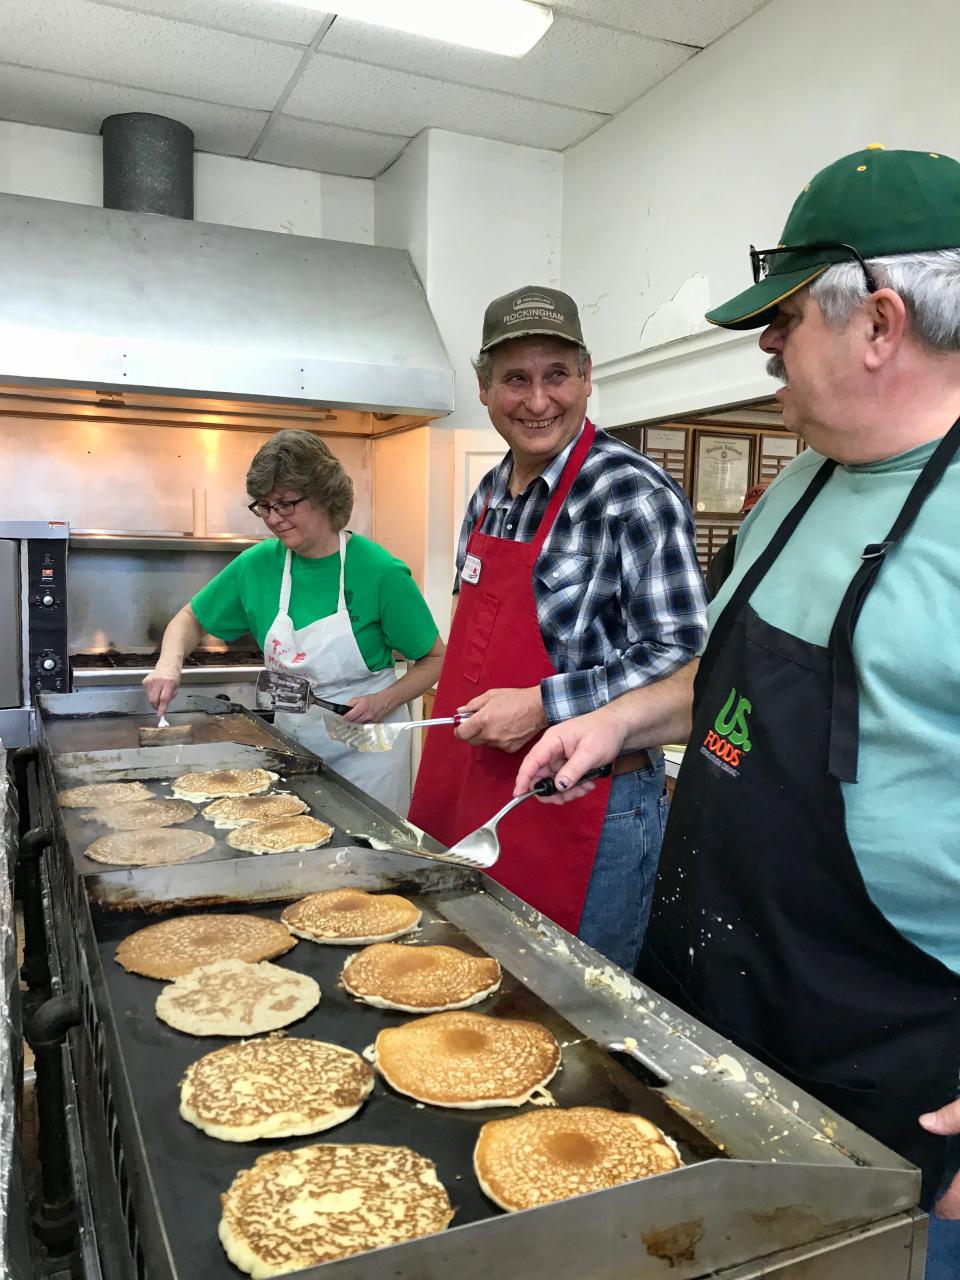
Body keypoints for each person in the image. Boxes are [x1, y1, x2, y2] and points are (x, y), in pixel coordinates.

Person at [514, 146, 960, 1274]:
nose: (764, 344)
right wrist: (621, 721)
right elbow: (728, 676)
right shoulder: (801, 480)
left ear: (879, 323)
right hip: (713, 996)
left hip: (892, 1051)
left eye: (786, 317)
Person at [408, 286, 707, 970]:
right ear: (483, 388)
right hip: (479, 783)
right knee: (470, 977)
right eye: (516, 379)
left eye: (557, 376)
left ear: (587, 377)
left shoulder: (631, 492)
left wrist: (545, 704)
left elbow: (681, 656)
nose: (538, 401)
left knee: (576, 1012)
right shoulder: (487, 495)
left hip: (589, 806)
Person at [143, 429, 444, 813]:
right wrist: (169, 665)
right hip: (294, 744)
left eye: (285, 504)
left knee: (366, 857)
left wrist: (384, 700)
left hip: (368, 752)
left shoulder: (379, 572)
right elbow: (190, 618)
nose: (273, 518)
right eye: (264, 506)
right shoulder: (258, 565)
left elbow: (435, 659)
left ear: (324, 495)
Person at [704, 482, 768, 599]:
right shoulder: (726, 554)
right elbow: (710, 598)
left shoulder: (789, 552)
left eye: (762, 513)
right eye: (749, 514)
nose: (754, 520)